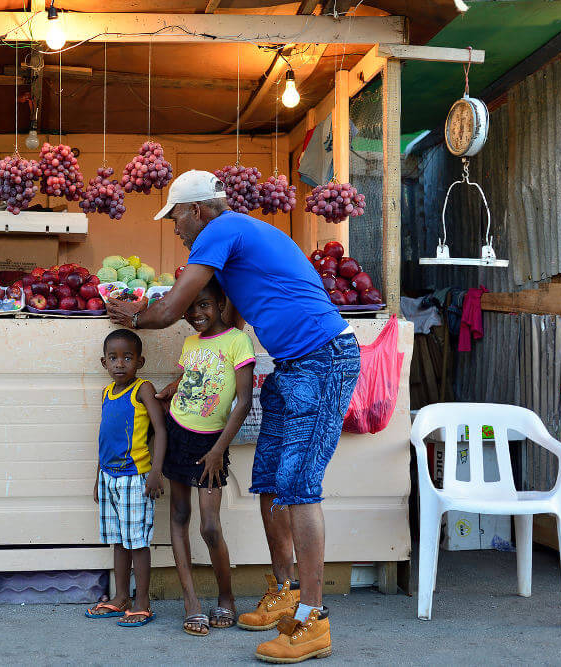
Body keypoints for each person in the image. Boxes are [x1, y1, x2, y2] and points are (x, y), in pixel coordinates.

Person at [107, 170, 360, 662]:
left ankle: (313, 620)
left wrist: (131, 316)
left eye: (176, 218)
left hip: (324, 358)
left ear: (197, 210)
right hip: (291, 364)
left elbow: (172, 308)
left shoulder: (222, 228)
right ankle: (285, 592)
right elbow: (231, 322)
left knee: (299, 486)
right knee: (269, 481)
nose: (176, 229)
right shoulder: (235, 240)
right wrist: (190, 379)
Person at [161, 276, 254, 636]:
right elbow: (190, 379)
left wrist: (218, 451)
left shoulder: (237, 341)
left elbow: (243, 402)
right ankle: (191, 603)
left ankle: (226, 597)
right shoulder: (190, 343)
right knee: (179, 516)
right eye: (189, 307)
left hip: (210, 446)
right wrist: (171, 388)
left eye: (203, 305)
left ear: (220, 305)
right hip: (177, 434)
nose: (196, 313)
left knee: (210, 526)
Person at [85, 329, 167, 627]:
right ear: (104, 362)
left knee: (137, 543)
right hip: (109, 477)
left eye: (127, 358)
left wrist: (155, 472)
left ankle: (142, 602)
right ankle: (121, 597)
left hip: (135, 478)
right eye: (113, 358)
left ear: (140, 362)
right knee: (118, 541)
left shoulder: (142, 389)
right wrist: (98, 477)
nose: (120, 363)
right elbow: (104, 439)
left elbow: (161, 430)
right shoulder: (107, 393)